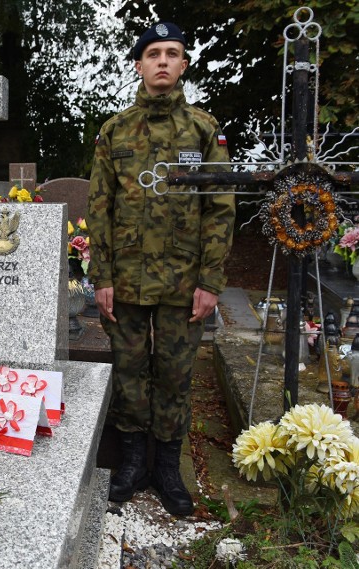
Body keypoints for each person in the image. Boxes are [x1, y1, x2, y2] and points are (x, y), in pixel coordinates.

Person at [86, 22, 235, 516]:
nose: (163, 62)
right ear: (139, 65)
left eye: (173, 53)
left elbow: (220, 207)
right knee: (129, 373)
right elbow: (100, 206)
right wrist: (101, 277)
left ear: (184, 64)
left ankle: (167, 468)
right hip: (125, 281)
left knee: (174, 375)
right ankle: (132, 464)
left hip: (183, 281)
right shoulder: (115, 130)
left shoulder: (203, 129)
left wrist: (211, 281)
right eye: (154, 54)